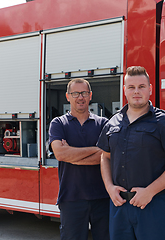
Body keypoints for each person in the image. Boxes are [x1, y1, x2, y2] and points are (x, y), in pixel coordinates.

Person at [97, 66, 165, 240]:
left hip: (153, 206)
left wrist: (150, 191)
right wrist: (109, 188)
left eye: (141, 86)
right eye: (131, 87)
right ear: (124, 90)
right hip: (120, 206)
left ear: (150, 89)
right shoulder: (112, 122)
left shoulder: (164, 122)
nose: (136, 91)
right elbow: (105, 157)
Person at [49, 78, 110, 240]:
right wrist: (97, 150)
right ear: (68, 96)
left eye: (83, 93)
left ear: (90, 96)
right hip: (71, 198)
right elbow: (60, 154)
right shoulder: (58, 123)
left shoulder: (103, 123)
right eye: (75, 93)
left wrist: (71, 154)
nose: (80, 97)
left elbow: (107, 156)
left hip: (102, 197)